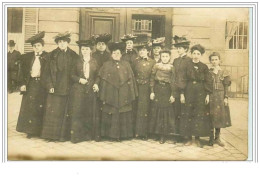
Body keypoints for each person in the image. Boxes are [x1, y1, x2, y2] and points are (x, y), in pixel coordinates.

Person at [94, 42, 138, 141]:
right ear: (111, 55)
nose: (116, 55)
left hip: (124, 92)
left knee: (123, 111)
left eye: (118, 53)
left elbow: (131, 78)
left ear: (121, 54)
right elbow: (100, 76)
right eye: (114, 53)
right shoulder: (106, 65)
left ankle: (124, 135)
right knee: (111, 111)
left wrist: (130, 92)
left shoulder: (126, 64)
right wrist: (96, 84)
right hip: (110, 92)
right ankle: (110, 135)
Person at [41, 31, 78, 141]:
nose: (62, 44)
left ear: (68, 43)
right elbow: (46, 73)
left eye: (64, 42)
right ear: (57, 43)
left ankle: (64, 136)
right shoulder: (51, 55)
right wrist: (50, 85)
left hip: (68, 87)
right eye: (60, 42)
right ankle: (51, 136)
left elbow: (77, 71)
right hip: (55, 88)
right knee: (54, 112)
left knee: (66, 111)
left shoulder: (73, 55)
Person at [16, 31, 48, 138]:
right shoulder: (27, 57)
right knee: (30, 107)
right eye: (35, 46)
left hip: (42, 85)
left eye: (39, 46)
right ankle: (29, 131)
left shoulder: (48, 57)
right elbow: (22, 72)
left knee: (41, 107)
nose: (37, 48)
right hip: (31, 84)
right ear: (32, 47)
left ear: (43, 46)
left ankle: (39, 131)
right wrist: (22, 84)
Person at [180, 44, 213, 147]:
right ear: (191, 53)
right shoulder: (186, 65)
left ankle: (197, 138)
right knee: (188, 113)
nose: (196, 55)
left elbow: (208, 81)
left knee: (199, 114)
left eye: (198, 53)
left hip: (200, 92)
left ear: (201, 55)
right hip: (188, 90)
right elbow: (182, 79)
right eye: (194, 53)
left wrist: (207, 95)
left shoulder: (204, 67)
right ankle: (188, 138)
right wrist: (182, 94)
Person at [69, 40, 100, 143]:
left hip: (90, 89)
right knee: (78, 112)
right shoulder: (76, 61)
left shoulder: (94, 61)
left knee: (89, 112)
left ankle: (88, 135)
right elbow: (71, 75)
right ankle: (78, 136)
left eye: (87, 49)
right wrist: (79, 80)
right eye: (83, 49)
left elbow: (98, 76)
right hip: (78, 89)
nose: (85, 51)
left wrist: (96, 84)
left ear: (91, 50)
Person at [149, 49, 177, 144]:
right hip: (158, 89)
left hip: (167, 90)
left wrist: (173, 94)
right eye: (163, 56)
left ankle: (163, 135)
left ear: (169, 57)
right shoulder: (156, 66)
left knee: (165, 112)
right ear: (160, 57)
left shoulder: (172, 67)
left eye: (166, 56)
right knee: (157, 111)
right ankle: (156, 133)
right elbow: (152, 78)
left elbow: (173, 81)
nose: (165, 58)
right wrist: (152, 91)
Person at [132, 43, 156, 140]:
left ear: (148, 51)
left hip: (146, 88)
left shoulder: (152, 62)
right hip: (136, 86)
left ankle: (144, 133)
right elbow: (132, 74)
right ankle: (135, 132)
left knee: (144, 109)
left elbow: (153, 77)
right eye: (140, 50)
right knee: (135, 108)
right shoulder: (135, 61)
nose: (142, 52)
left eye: (144, 50)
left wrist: (151, 90)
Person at [209, 52, 232, 146]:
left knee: (219, 116)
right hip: (211, 95)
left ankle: (217, 138)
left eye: (216, 59)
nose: (214, 61)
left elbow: (226, 86)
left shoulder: (224, 72)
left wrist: (225, 97)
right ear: (210, 61)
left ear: (219, 61)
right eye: (212, 60)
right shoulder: (208, 72)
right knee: (210, 115)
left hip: (220, 96)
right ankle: (210, 138)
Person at [172, 35, 192, 143]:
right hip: (176, 90)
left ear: (185, 49)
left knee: (185, 112)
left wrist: (183, 92)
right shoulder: (175, 60)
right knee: (177, 111)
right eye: (177, 48)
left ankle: (186, 136)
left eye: (180, 48)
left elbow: (188, 77)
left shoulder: (189, 61)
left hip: (185, 91)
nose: (178, 50)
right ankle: (178, 134)